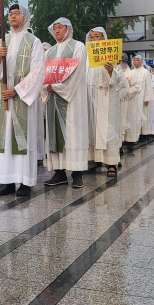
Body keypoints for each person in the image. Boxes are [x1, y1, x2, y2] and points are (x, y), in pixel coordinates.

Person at [0, 4, 45, 195]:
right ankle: (7, 180)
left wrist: (17, 90)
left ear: (26, 17)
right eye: (10, 14)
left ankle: (25, 181)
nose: (12, 17)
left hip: (22, 97)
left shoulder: (33, 42)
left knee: (23, 137)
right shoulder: (2, 41)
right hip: (4, 97)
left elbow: (37, 72)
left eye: (16, 13)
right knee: (7, 138)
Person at [42, 17, 88, 188]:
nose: (57, 31)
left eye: (60, 27)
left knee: (73, 134)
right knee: (55, 133)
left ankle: (77, 173)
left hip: (72, 99)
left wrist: (59, 87)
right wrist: (47, 86)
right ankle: (59, 172)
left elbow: (77, 72)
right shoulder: (50, 52)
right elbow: (43, 72)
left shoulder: (78, 47)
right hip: (53, 100)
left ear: (69, 29)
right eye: (54, 28)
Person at [85, 27, 128, 177]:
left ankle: (111, 163)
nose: (94, 39)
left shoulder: (112, 57)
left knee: (108, 129)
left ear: (104, 38)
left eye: (97, 36)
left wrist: (111, 71)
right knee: (91, 129)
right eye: (91, 37)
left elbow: (122, 81)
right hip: (91, 98)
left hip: (107, 98)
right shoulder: (87, 57)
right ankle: (92, 159)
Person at [129, 55, 154, 140]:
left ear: (141, 62)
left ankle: (144, 133)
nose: (135, 62)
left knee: (143, 114)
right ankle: (135, 133)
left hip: (142, 98)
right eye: (134, 60)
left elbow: (149, 85)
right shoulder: (131, 72)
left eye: (137, 60)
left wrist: (147, 98)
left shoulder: (145, 72)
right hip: (133, 98)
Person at [122, 55, 142, 143]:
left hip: (128, 101)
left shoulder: (131, 74)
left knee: (129, 120)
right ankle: (121, 142)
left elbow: (136, 87)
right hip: (119, 102)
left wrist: (127, 93)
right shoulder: (116, 73)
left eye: (122, 62)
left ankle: (130, 141)